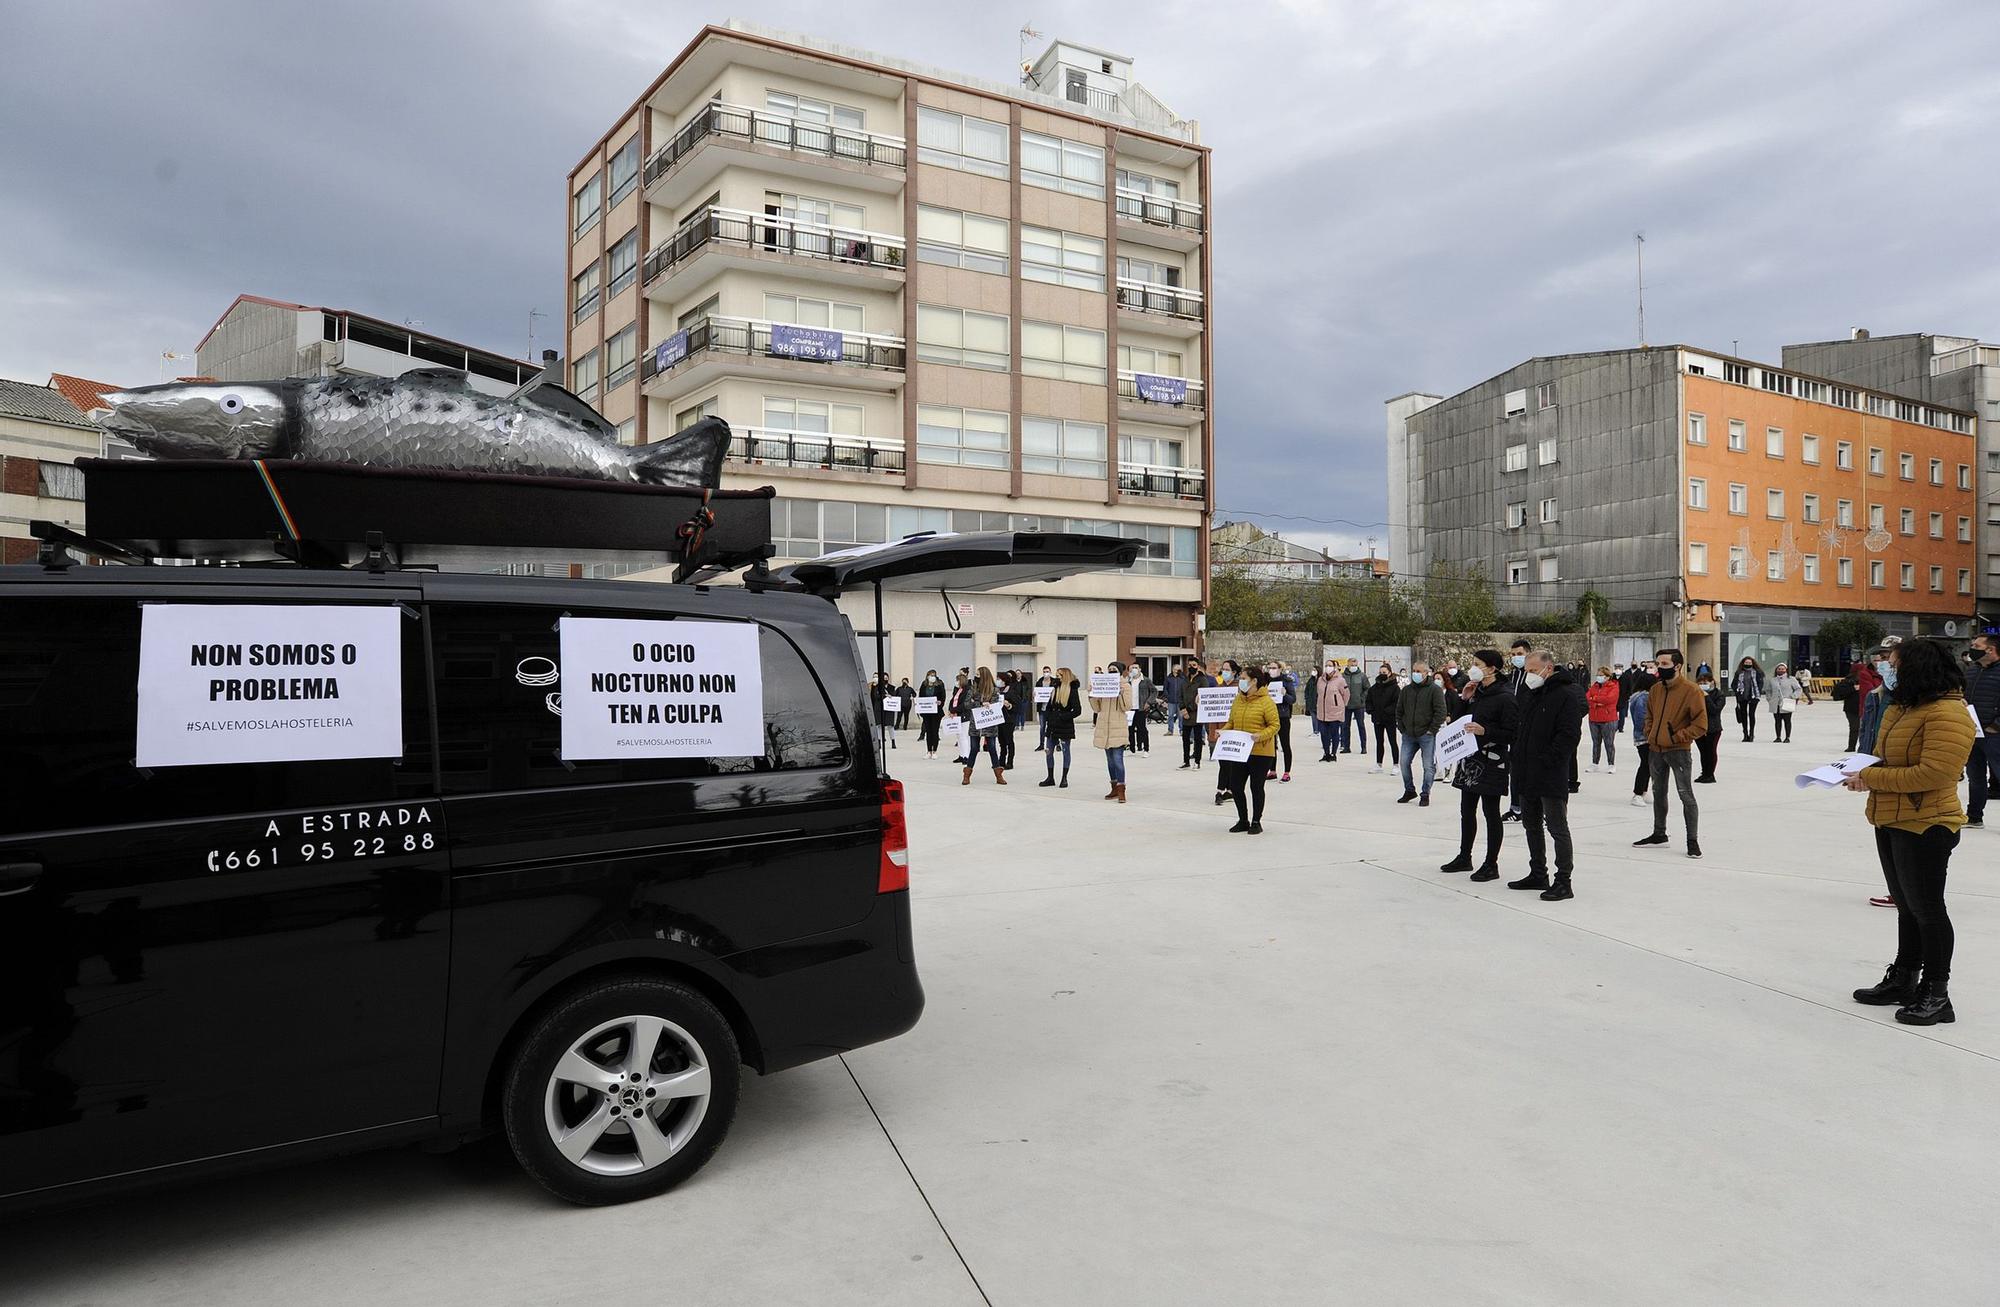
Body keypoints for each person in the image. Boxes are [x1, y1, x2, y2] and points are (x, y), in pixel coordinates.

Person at [1845, 638, 1974, 1025]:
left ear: (1918, 668)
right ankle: (1904, 978)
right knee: (1907, 907)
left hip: (1927, 822)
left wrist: (1870, 777)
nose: (1888, 669)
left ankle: (1937, 993)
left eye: (1895, 665)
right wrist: (1849, 769)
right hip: (1890, 816)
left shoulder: (1949, 714)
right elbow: (1887, 756)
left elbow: (1936, 773)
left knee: (1928, 910)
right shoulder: (1902, 707)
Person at [1508, 650, 1584, 900]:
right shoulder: (1533, 694)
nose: (1528, 675)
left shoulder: (1566, 695)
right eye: (1526, 671)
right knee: (1531, 825)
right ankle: (1538, 872)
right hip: (1527, 772)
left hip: (1550, 774)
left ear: (1547, 668)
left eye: (1531, 670)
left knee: (1557, 827)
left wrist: (1547, 760)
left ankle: (1564, 881)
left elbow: (1569, 735)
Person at [1438, 650, 1519, 880]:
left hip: (1493, 760)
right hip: (1471, 759)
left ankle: (1491, 863)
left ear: (1492, 668)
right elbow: (1458, 722)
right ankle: (1465, 856)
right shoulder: (1476, 691)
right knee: (1467, 809)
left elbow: (1512, 733)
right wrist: (1464, 699)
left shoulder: (1505, 696)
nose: (1473, 668)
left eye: (1477, 664)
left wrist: (1487, 731)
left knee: (1491, 812)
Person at [1633, 648, 1707, 858]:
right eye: (1658, 664)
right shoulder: (1656, 689)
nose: (1659, 668)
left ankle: (1692, 841)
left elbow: (1701, 725)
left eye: (1664, 664)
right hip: (1655, 749)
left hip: (1679, 751)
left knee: (1686, 795)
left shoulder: (1691, 691)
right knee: (1658, 793)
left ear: (1677, 666)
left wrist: (1677, 737)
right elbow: (1649, 714)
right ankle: (1659, 834)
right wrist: (1650, 731)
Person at [1221, 667, 1280, 834]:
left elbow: (1275, 725)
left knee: (1256, 786)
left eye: (1243, 677)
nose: (1241, 681)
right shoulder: (1239, 699)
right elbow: (1231, 721)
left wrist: (1260, 735)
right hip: (1240, 751)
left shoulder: (1266, 701)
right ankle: (1243, 819)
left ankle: (1256, 821)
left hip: (1260, 752)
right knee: (1236, 786)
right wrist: (1224, 731)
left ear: (1254, 681)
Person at [1397, 661, 1447, 806]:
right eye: (1414, 670)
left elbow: (1440, 711)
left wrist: (1432, 729)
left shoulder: (1434, 690)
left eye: (1419, 671)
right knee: (1404, 763)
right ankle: (1409, 790)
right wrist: (1401, 727)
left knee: (1428, 766)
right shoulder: (1406, 690)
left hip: (1426, 734)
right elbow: (1399, 710)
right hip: (1409, 734)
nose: (1416, 674)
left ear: (1426, 673)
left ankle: (1425, 793)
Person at [1964, 634, 2000, 829]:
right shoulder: (1972, 670)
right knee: (1975, 776)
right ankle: (1974, 816)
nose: (1972, 648)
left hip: (1995, 733)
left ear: (1990, 649)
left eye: (1976, 645)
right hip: (1973, 731)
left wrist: (1995, 725)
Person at [1093, 659, 1134, 803]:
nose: (1110, 672)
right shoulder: (1104, 685)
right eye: (1109, 669)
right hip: (1105, 728)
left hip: (1118, 728)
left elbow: (1127, 707)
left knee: (1118, 760)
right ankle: (1114, 788)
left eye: (1114, 670)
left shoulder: (1126, 686)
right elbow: (1097, 708)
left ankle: (1122, 789)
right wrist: (1092, 694)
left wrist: (1121, 693)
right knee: (1110, 761)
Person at [958, 668, 1006, 784]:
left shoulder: (994, 690)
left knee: (992, 748)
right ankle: (967, 774)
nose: (976, 677)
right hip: (976, 723)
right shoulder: (973, 689)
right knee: (974, 749)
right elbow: (967, 704)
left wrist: (990, 704)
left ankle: (998, 774)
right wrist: (979, 703)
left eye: (978, 675)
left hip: (990, 723)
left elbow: (996, 704)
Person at [1502, 638, 1532, 821]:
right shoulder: (1511, 677)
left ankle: (1535, 810)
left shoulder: (1534, 676)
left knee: (1531, 772)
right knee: (1515, 771)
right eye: (1513, 655)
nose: (1516, 657)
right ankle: (1516, 808)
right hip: (1513, 732)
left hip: (1530, 731)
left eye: (1519, 654)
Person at [1038, 667, 1082, 788]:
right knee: (1049, 751)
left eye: (1060, 676)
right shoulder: (1055, 688)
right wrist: (1048, 716)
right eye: (1057, 676)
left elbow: (1077, 710)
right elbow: (1049, 706)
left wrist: (1063, 716)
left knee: (1065, 751)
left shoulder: (1072, 690)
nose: (1057, 678)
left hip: (1064, 725)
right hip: (1052, 725)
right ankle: (1050, 777)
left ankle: (1064, 778)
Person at [1180, 657, 1214, 770]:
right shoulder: (1185, 679)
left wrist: (1188, 709)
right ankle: (1186, 761)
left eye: (1193, 665)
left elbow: (1201, 697)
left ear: (1198, 667)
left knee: (1198, 738)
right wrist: (1182, 708)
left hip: (1197, 713)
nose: (1191, 667)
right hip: (1185, 714)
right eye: (1189, 665)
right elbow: (1180, 694)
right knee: (1185, 738)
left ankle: (1197, 761)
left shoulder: (1202, 680)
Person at [1366, 662, 1401, 773]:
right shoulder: (1374, 688)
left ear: (1390, 673)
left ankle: (1396, 764)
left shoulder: (1395, 688)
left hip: (1389, 718)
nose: (1382, 674)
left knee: (1392, 741)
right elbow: (1369, 700)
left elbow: (1397, 703)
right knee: (1379, 741)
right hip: (1377, 718)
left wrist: (1388, 711)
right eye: (1380, 672)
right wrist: (1371, 710)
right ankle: (1379, 764)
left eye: (1384, 672)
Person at [1267, 661, 1299, 781]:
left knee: (1285, 744)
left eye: (1274, 668)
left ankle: (1287, 772)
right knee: (1271, 745)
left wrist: (1284, 695)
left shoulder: (1287, 681)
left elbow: (1292, 699)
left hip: (1283, 715)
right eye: (1269, 668)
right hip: (1269, 716)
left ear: (1280, 669)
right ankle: (1272, 770)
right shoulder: (1266, 681)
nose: (1271, 670)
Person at [1313, 658, 1348, 763]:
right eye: (1326, 665)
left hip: (1335, 711)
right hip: (1322, 712)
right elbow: (1319, 693)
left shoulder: (1340, 680)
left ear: (1334, 667)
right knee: (1323, 734)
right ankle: (1326, 753)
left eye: (1330, 665)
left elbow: (1346, 694)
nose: (1328, 667)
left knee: (1334, 733)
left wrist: (1341, 706)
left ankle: (1333, 753)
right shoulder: (1320, 680)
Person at [1694, 670, 1726, 783]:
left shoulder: (1719, 694)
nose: (1703, 685)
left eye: (1706, 682)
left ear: (1712, 682)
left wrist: (1706, 697)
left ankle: (1710, 774)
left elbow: (1715, 710)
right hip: (1698, 727)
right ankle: (1704, 773)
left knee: (1711, 751)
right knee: (1703, 751)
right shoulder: (1695, 694)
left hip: (1713, 728)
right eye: (1701, 683)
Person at [1585, 665, 1619, 772]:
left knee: (1609, 743)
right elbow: (1587, 698)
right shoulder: (1594, 686)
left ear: (1607, 677)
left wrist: (1594, 699)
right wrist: (1596, 703)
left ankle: (1611, 764)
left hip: (1608, 719)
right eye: (1598, 675)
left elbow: (1609, 699)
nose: (1599, 677)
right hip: (1594, 718)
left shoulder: (1613, 686)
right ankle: (1595, 763)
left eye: (1601, 675)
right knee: (1596, 742)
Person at [1768, 663, 1809, 743]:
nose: (1781, 670)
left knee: (1787, 720)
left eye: (1782, 669)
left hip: (1787, 702)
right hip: (1776, 703)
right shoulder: (1772, 680)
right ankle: (1778, 737)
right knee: (1777, 721)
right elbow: (1768, 690)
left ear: (1786, 670)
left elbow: (1798, 689)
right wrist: (1770, 699)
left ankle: (1787, 737)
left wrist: (1793, 696)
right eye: (1779, 669)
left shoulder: (1791, 679)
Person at [1628, 678, 1652, 807]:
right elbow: (1641, 718)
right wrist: (1649, 731)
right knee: (1645, 764)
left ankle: (1643, 790)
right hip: (1644, 736)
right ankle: (1638, 793)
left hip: (1642, 735)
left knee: (1648, 764)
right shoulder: (1643, 697)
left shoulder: (1637, 697)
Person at [1732, 655, 1766, 742]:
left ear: (1753, 663)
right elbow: (1733, 684)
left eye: (1749, 663)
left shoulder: (1757, 672)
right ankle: (1745, 733)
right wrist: (1737, 692)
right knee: (1743, 715)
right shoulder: (1739, 672)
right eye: (1746, 662)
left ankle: (1751, 734)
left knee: (1751, 714)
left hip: (1754, 696)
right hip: (1742, 696)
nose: (1748, 664)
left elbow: (1760, 684)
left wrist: (1757, 692)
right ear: (1743, 663)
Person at [1832, 665, 1864, 753]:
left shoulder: (1867, 679)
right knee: (1855, 727)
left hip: (1865, 707)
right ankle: (1851, 746)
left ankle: (1864, 746)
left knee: (1864, 728)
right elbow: (1836, 693)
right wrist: (1853, 688)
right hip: (1851, 708)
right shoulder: (1848, 681)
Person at [1342, 659, 1370, 756]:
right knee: (1345, 726)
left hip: (1359, 705)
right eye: (1352, 664)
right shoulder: (1343, 676)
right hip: (1346, 705)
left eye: (1355, 664)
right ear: (1348, 665)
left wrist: (1362, 698)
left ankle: (1363, 747)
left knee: (1361, 726)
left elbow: (1367, 688)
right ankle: (1346, 747)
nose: (1353, 666)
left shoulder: (1362, 676)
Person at [918, 669, 946, 758]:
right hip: (927, 712)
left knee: (935, 731)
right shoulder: (924, 685)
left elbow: (943, 697)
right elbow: (920, 697)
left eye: (933, 675)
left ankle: (935, 751)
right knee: (928, 731)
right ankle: (929, 751)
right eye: (930, 675)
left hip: (936, 712)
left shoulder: (939, 685)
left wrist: (940, 702)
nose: (932, 677)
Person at [1128, 663, 1154, 755]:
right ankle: (1131, 748)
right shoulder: (1128, 681)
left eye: (1136, 668)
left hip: (1141, 708)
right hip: (1130, 709)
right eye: (1132, 668)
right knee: (1130, 729)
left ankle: (1145, 748)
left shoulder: (1145, 680)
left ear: (1140, 669)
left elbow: (1154, 691)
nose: (1134, 669)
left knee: (1142, 729)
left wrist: (1148, 702)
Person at [873, 672, 899, 749]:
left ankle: (893, 741)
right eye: (884, 678)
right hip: (879, 708)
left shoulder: (892, 687)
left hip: (889, 709)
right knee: (879, 726)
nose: (885, 679)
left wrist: (891, 696)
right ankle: (879, 742)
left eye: (886, 678)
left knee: (890, 726)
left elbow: (895, 696)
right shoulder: (877, 687)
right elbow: (876, 696)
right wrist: (884, 695)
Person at [1034, 666, 1057, 753]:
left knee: (1053, 727)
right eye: (1044, 671)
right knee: (1042, 727)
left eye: (1047, 671)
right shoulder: (1039, 682)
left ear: (1050, 672)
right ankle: (1041, 744)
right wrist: (1035, 695)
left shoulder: (1054, 682)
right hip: (1042, 709)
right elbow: (1036, 693)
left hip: (1052, 709)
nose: (1046, 673)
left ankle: (1057, 744)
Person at [1162, 663, 1185, 737]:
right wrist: (1168, 697)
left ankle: (1182, 730)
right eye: (1175, 669)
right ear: (1173, 670)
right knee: (1170, 716)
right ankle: (1170, 730)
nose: (1177, 671)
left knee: (1181, 716)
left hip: (1180, 701)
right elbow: (1165, 689)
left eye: (1178, 669)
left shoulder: (1183, 678)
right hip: (1171, 701)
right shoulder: (1168, 678)